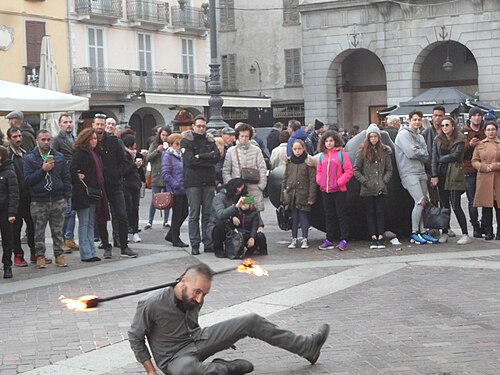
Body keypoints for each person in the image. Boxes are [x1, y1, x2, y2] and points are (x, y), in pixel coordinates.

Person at [128, 263, 330, 375]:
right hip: (174, 360)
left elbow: (192, 329)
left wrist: (222, 339)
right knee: (191, 371)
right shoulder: (152, 303)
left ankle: (306, 347)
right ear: (183, 281)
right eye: (197, 292)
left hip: (198, 340)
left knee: (251, 320)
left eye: (204, 294)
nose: (200, 299)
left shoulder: (195, 297)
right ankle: (226, 368)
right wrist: (151, 372)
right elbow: (135, 337)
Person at [24, 129, 71, 268]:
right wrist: (43, 169)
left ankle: (59, 255)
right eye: (43, 139)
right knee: (39, 231)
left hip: (57, 198)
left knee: (58, 230)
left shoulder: (59, 156)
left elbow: (66, 177)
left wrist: (66, 196)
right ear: (37, 140)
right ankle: (40, 256)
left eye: (48, 139)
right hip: (39, 200)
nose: (46, 142)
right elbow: (27, 180)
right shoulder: (30, 158)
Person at [93, 113, 138, 258]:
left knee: (122, 215)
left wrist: (118, 174)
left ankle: (124, 246)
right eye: (98, 124)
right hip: (99, 186)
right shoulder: (91, 142)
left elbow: (123, 161)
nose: (100, 127)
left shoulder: (114, 141)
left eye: (102, 124)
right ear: (93, 125)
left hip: (115, 185)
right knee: (101, 217)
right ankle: (106, 245)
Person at [395, 110, 438, 245]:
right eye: (414, 120)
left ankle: (423, 231)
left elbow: (426, 155)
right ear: (409, 120)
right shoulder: (403, 135)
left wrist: (418, 152)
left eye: (419, 120)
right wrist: (419, 152)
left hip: (420, 172)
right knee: (419, 201)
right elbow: (411, 153)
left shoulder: (420, 136)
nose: (417, 122)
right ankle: (414, 233)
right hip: (408, 172)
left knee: (424, 202)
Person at [181, 115, 220, 255]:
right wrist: (206, 158)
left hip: (209, 181)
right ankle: (195, 243)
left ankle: (208, 242)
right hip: (193, 182)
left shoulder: (210, 140)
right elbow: (190, 161)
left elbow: (216, 157)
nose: (202, 129)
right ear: (193, 126)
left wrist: (201, 156)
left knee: (208, 214)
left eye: (204, 126)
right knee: (194, 214)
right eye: (199, 126)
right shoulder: (187, 141)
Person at [70, 128, 109, 262]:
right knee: (84, 223)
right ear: (85, 140)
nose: (94, 141)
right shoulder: (81, 153)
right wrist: (78, 177)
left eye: (95, 139)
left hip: (94, 192)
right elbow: (72, 170)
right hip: (83, 192)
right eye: (91, 139)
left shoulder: (95, 153)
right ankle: (86, 253)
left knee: (91, 223)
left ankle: (91, 250)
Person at [430, 116, 470, 245]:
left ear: (453, 126)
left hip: (454, 175)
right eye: (442, 125)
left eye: (447, 125)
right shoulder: (437, 139)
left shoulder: (460, 139)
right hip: (441, 175)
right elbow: (433, 158)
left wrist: (441, 159)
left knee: (456, 205)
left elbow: (456, 155)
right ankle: (445, 232)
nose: (444, 128)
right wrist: (434, 175)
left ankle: (465, 233)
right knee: (444, 206)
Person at [353, 124, 393, 249]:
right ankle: (373, 236)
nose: (374, 139)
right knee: (370, 212)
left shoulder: (385, 152)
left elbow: (389, 169)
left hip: (380, 187)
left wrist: (383, 181)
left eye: (375, 136)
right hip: (367, 187)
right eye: (371, 137)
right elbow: (356, 170)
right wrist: (365, 182)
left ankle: (380, 235)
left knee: (380, 212)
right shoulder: (362, 152)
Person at [7, 127, 40, 266]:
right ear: (9, 139)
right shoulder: (8, 156)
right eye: (14, 137)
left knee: (32, 225)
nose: (18, 139)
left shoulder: (26, 154)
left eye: (19, 136)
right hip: (14, 197)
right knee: (16, 227)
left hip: (28, 196)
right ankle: (18, 254)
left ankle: (34, 252)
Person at [316, 130, 353, 251]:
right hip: (326, 190)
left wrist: (338, 182)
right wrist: (320, 181)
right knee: (329, 215)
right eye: (326, 141)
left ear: (335, 141)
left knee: (341, 215)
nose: (329, 143)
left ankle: (344, 239)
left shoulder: (342, 155)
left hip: (339, 190)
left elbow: (349, 171)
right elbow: (319, 171)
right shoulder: (322, 156)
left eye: (331, 141)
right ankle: (329, 238)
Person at [223, 123, 267, 212]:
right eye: (242, 136)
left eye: (246, 136)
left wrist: (261, 185)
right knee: (239, 213)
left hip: (254, 188)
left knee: (254, 214)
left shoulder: (256, 150)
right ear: (238, 136)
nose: (244, 138)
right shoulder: (231, 151)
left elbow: (262, 168)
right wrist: (230, 185)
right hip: (238, 189)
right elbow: (226, 170)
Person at [281, 139, 317, 249]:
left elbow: (312, 180)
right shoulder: (289, 162)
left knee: (303, 216)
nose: (297, 151)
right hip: (292, 193)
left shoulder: (308, 161)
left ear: (303, 149)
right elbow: (285, 178)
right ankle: (294, 238)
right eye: (295, 149)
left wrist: (311, 197)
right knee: (294, 217)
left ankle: (305, 238)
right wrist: (283, 194)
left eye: (299, 149)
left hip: (303, 193)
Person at [52, 113, 79, 254]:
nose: (69, 124)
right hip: (63, 179)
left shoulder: (74, 138)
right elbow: (53, 158)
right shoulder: (57, 140)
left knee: (72, 210)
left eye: (70, 121)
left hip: (74, 178)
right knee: (65, 211)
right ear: (60, 124)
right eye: (65, 122)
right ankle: (62, 240)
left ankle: (69, 237)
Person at [471, 120, 500, 240]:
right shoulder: (480, 145)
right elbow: (474, 161)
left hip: (498, 178)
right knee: (486, 207)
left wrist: (495, 165)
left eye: (493, 129)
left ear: (496, 131)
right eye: (488, 130)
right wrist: (483, 167)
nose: (491, 132)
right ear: (485, 132)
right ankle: (488, 232)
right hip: (484, 178)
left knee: (498, 207)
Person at [161, 133, 189, 248]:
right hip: (176, 190)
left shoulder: (181, 155)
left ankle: (171, 234)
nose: (179, 146)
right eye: (177, 144)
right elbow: (165, 174)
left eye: (180, 143)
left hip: (184, 189)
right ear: (171, 144)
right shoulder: (168, 155)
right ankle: (175, 238)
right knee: (177, 215)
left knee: (184, 213)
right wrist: (176, 185)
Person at [462, 107, 486, 238]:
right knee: (473, 200)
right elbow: (459, 153)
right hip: (469, 169)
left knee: (486, 199)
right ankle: (475, 226)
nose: (477, 117)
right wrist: (469, 145)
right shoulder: (464, 132)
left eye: (479, 115)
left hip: (484, 170)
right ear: (470, 117)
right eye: (474, 115)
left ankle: (485, 225)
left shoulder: (486, 130)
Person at [145, 126, 172, 230]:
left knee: (168, 199)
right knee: (154, 199)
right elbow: (147, 158)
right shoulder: (154, 144)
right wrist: (157, 151)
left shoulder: (171, 145)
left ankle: (166, 221)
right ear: (159, 135)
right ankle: (149, 221)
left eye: (167, 135)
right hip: (157, 175)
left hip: (168, 176)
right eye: (163, 135)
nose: (164, 137)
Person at [0, 145, 19, 279]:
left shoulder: (9, 173)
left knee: (7, 240)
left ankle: (7, 265)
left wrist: (12, 213)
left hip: (5, 212)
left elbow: (14, 194)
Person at [122, 134, 144, 244]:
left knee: (135, 209)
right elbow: (124, 171)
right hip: (126, 185)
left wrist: (140, 165)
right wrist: (134, 164)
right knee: (127, 209)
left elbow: (138, 171)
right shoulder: (124, 155)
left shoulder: (136, 154)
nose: (135, 145)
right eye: (133, 143)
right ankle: (125, 232)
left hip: (135, 185)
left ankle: (135, 232)